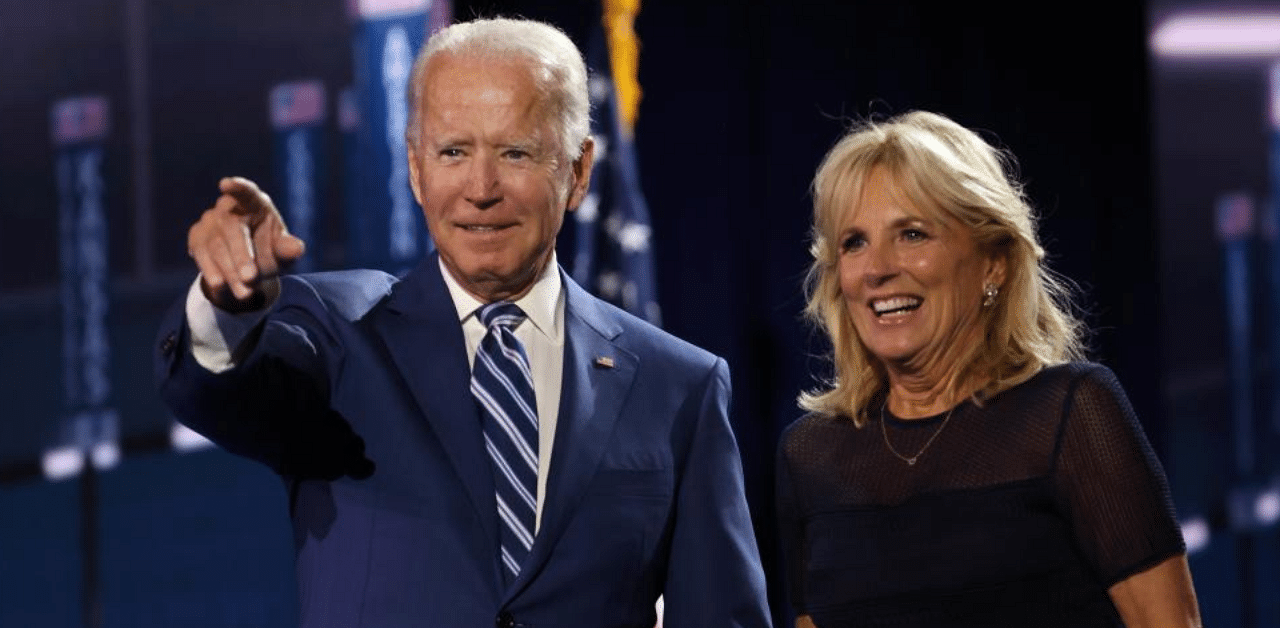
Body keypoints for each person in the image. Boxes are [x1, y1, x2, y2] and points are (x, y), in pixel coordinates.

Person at [155, 17, 772, 628]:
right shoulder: (338, 335)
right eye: (453, 152)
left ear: (579, 172)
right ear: (417, 170)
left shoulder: (677, 387)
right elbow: (222, 394)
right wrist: (227, 300)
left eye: (515, 152)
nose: (481, 189)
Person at [775, 111, 1201, 627]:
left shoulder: (1068, 417)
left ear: (993, 263)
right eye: (854, 242)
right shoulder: (811, 454)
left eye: (911, 234)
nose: (877, 268)